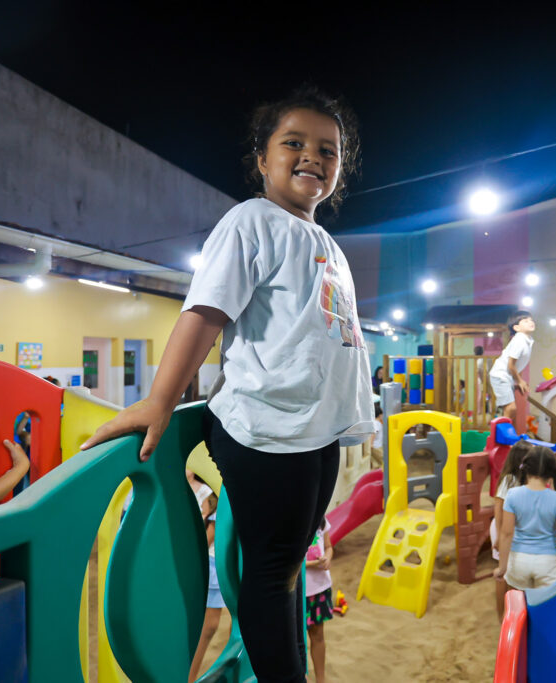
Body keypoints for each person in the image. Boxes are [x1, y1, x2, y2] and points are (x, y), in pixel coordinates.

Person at [81, 86, 374, 683]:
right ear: (262, 158)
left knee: (287, 569)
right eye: (294, 143)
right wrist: (159, 400)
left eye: (328, 150)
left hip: (314, 433)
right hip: (268, 427)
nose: (312, 156)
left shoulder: (326, 243)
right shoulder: (251, 221)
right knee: (271, 573)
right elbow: (205, 314)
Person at [493, 446, 556, 592]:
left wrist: (502, 567)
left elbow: (506, 534)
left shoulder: (512, 495)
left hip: (519, 561)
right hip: (547, 563)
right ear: (551, 473)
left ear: (526, 469)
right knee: (546, 605)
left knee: (519, 603)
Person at [490, 439, 534, 621]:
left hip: (512, 531)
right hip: (503, 529)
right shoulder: (510, 480)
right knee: (504, 572)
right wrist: (500, 536)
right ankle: (503, 616)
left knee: (512, 571)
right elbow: (498, 508)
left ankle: (512, 614)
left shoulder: (523, 480)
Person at [189, 490, 223, 683]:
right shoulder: (213, 501)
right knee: (208, 627)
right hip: (212, 566)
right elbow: (206, 540)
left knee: (209, 627)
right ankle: (189, 677)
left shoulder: (212, 499)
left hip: (216, 566)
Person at [489, 311, 536, 424]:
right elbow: (511, 365)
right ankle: (500, 432)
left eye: (531, 320)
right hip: (500, 375)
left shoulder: (528, 340)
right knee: (511, 408)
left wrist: (519, 380)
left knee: (511, 411)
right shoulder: (519, 340)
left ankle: (504, 431)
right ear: (516, 327)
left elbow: (518, 365)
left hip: (507, 377)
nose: (530, 322)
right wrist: (520, 381)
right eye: (525, 321)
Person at [303, 518, 334, 683]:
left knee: (318, 635)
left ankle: (321, 679)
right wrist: (313, 564)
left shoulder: (321, 520)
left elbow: (328, 547)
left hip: (319, 589)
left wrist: (327, 558)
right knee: (297, 640)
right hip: (299, 593)